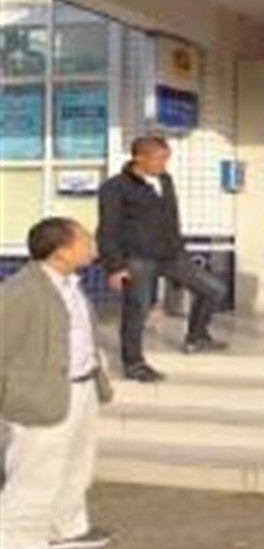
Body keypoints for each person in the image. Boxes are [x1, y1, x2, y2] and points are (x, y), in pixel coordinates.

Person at [0, 218, 114, 549]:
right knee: (33, 482)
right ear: (61, 250)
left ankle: (66, 527)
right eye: (85, 240)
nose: (93, 246)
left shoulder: (69, 284)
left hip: (80, 389)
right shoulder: (22, 292)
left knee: (75, 466)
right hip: (40, 398)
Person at [97, 135, 228, 383]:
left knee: (215, 289)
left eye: (166, 159)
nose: (164, 164)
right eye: (159, 159)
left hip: (172, 255)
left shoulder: (165, 180)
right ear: (139, 158)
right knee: (138, 311)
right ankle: (134, 364)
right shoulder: (114, 187)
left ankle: (197, 336)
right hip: (138, 259)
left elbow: (171, 218)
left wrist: (179, 247)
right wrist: (114, 267)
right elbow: (107, 230)